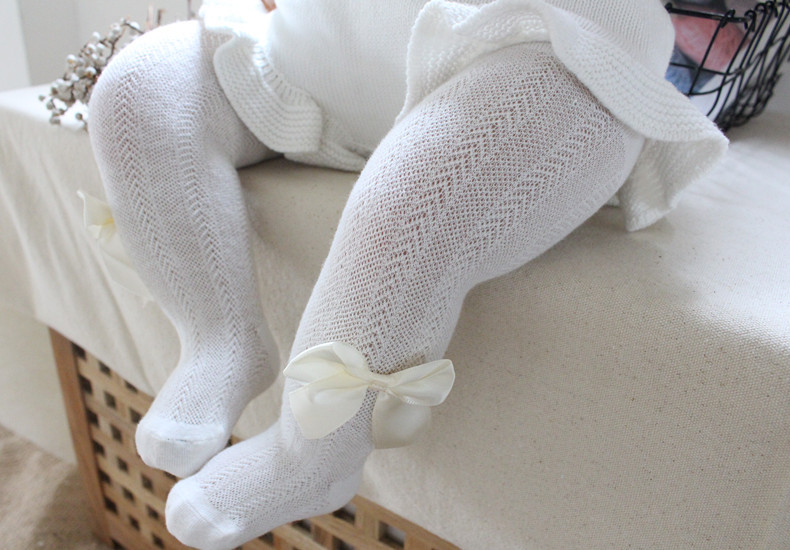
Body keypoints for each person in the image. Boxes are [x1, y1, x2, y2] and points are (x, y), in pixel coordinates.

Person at [88, 0, 727, 548]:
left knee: (431, 193)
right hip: (326, 53)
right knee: (138, 88)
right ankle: (219, 338)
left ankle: (312, 454)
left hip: (536, 42)